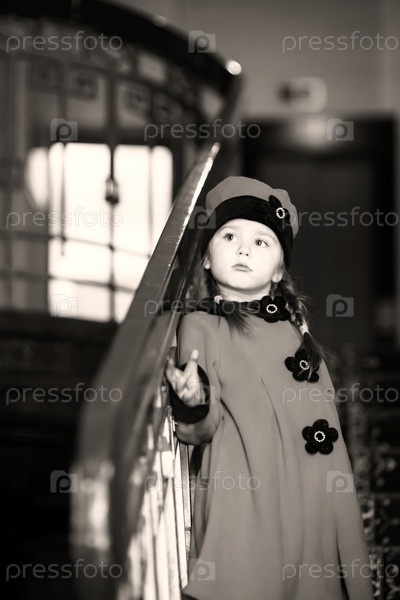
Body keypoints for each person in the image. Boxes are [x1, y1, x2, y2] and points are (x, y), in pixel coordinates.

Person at [165, 177, 374, 600]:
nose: (243, 249)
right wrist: (192, 398)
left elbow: (329, 438)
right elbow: (204, 423)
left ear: (278, 271)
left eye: (261, 242)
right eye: (229, 236)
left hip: (309, 498)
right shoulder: (202, 324)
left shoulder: (296, 332)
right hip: (247, 496)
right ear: (206, 258)